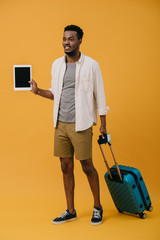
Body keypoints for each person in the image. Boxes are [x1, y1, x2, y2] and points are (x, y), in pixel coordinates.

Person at [29, 25, 109, 225]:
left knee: (87, 166)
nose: (66, 42)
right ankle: (70, 210)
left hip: (80, 124)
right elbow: (55, 94)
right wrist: (38, 91)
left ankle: (97, 207)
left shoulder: (91, 65)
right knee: (65, 167)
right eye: (64, 39)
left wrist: (103, 124)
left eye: (71, 39)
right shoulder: (57, 64)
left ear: (80, 40)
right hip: (60, 124)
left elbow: (100, 95)